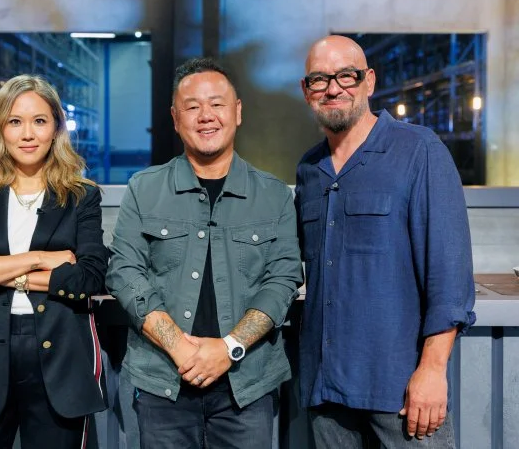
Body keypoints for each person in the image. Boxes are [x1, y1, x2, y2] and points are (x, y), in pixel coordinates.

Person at [105, 57, 303, 449]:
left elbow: (282, 281)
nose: (206, 116)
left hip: (247, 386)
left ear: (237, 112)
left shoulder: (274, 196)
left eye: (217, 104)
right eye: (192, 106)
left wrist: (230, 348)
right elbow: (125, 272)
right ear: (175, 118)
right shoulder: (144, 188)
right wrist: (178, 346)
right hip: (163, 382)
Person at [295, 35, 476, 448]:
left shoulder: (419, 150)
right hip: (327, 392)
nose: (333, 88)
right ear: (306, 91)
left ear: (370, 81)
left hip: (401, 392)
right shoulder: (309, 169)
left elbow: (449, 278)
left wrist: (432, 370)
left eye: (346, 75)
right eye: (320, 79)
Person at [0, 74, 108, 449]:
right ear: (0, 129)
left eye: (39, 121)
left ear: (56, 129)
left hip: (60, 358)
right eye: (15, 121)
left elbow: (89, 277)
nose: (28, 134)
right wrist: (39, 259)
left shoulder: (81, 197)